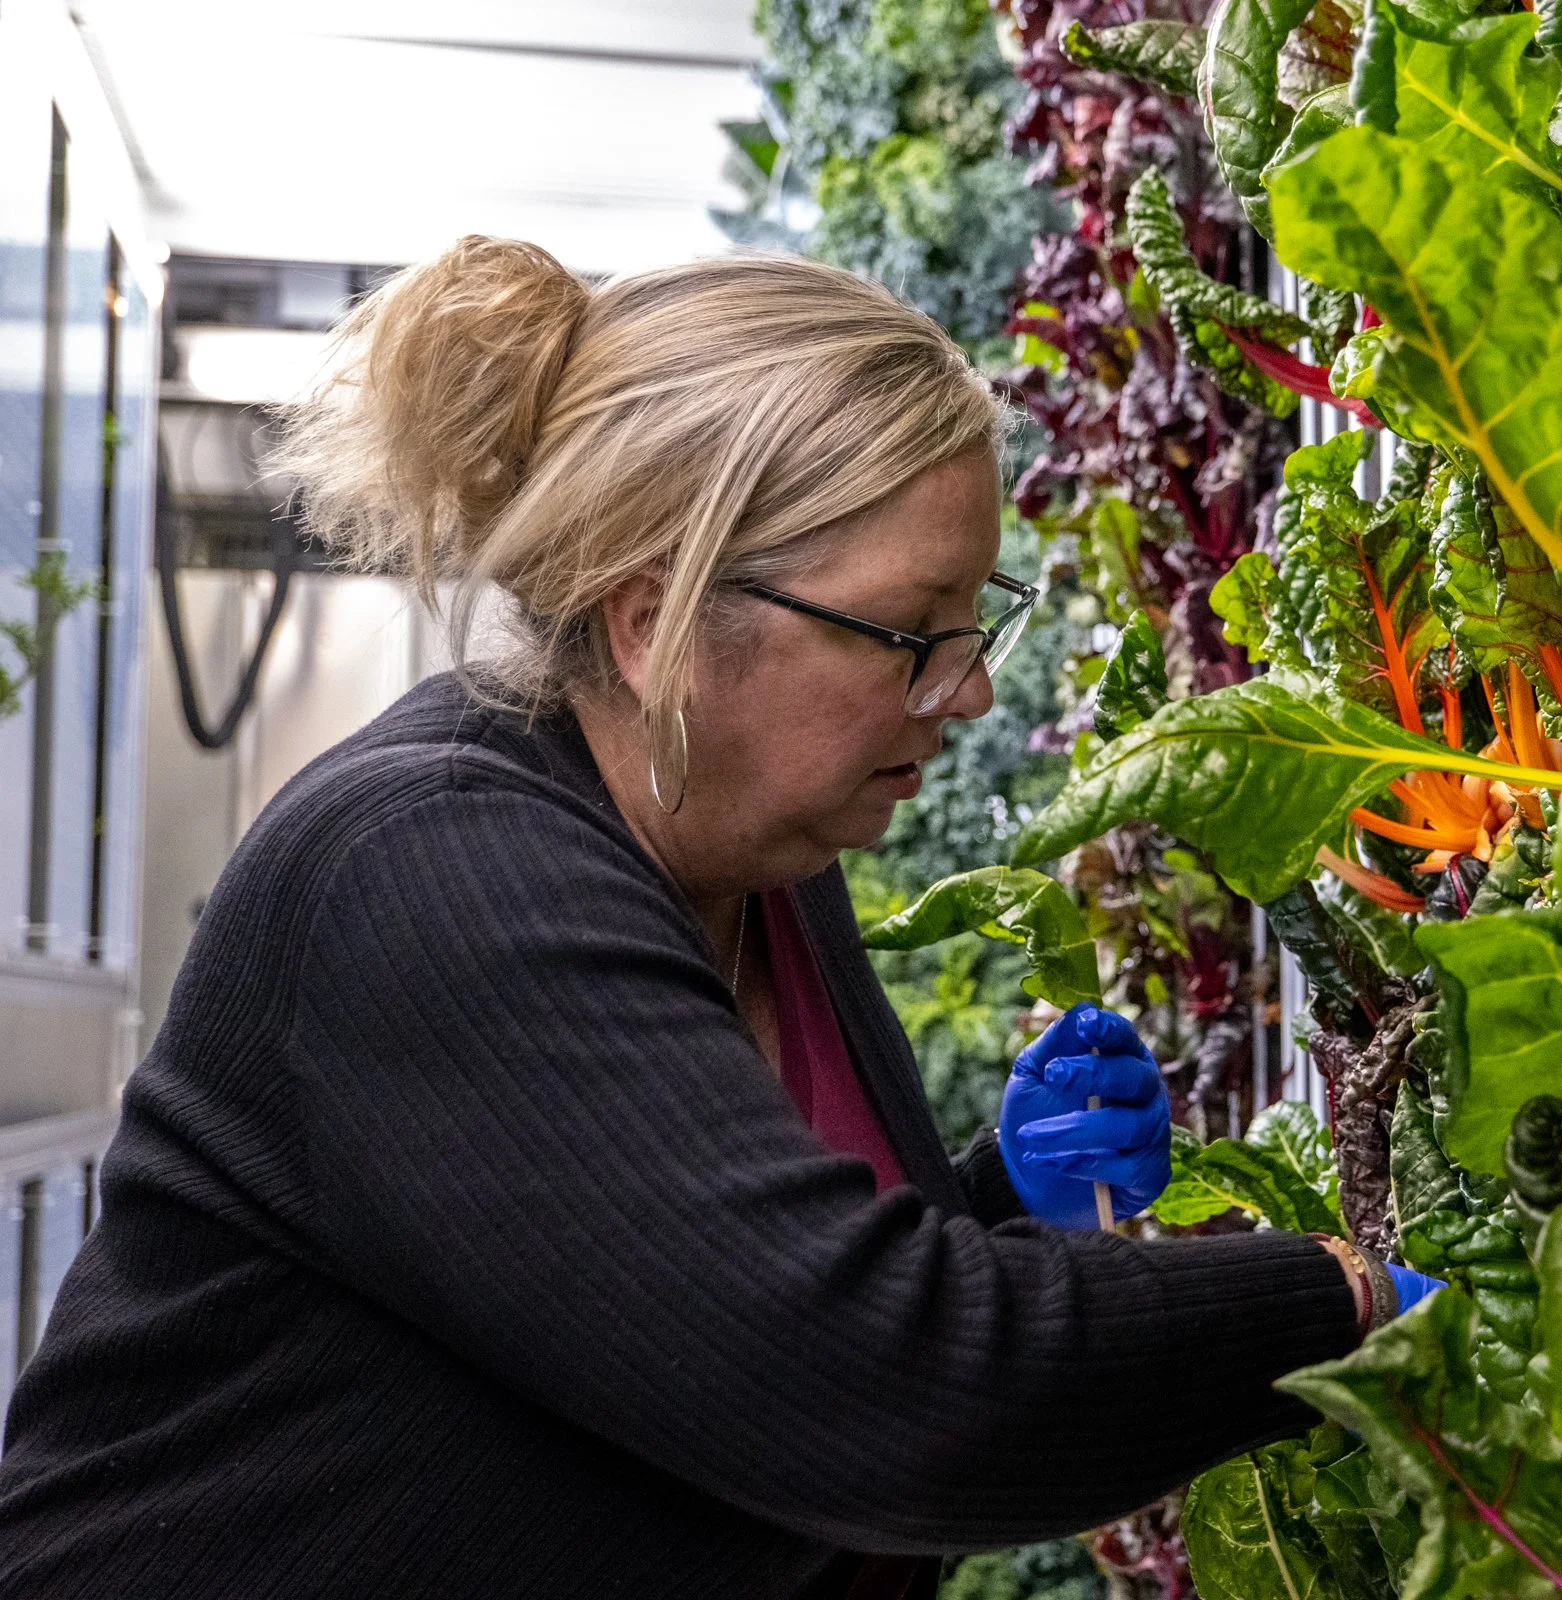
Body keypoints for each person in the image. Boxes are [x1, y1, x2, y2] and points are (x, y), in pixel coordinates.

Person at [0, 238, 1433, 1598]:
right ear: (657, 621)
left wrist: (1000, 1199)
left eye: (975, 617)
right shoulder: (426, 872)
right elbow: (882, 1393)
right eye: (910, 630)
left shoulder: (756, 854)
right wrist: (1354, 1302)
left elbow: (702, 1298)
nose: (968, 690)